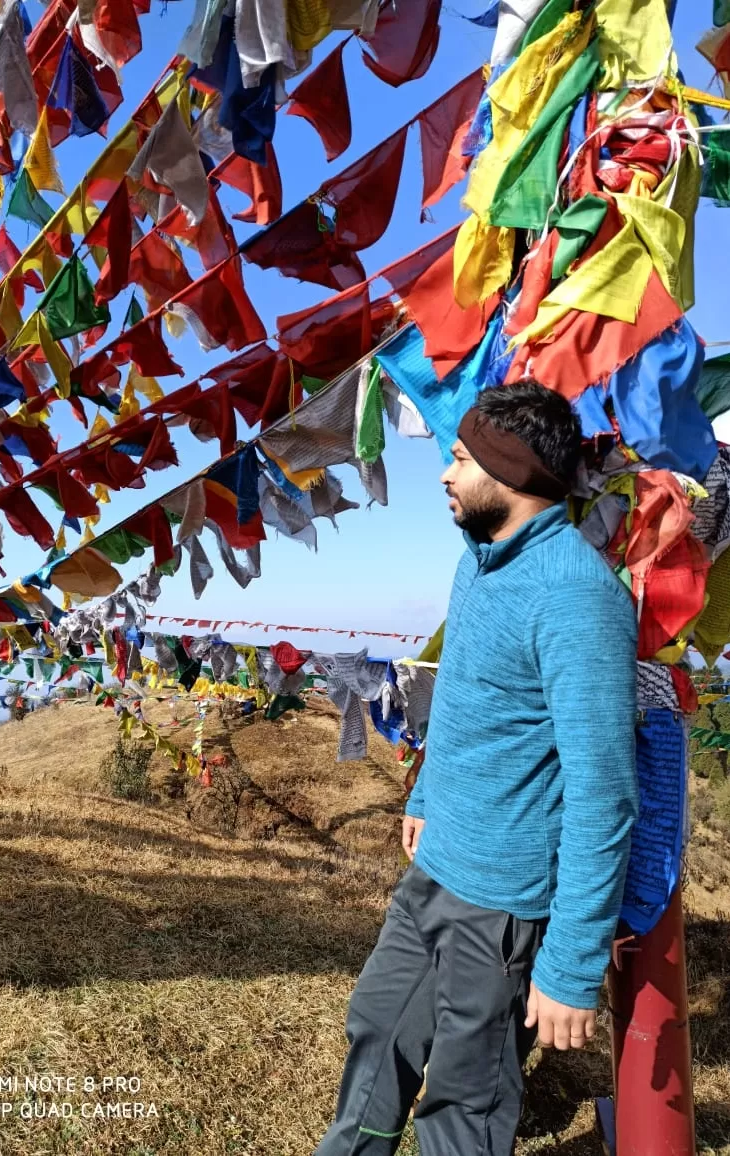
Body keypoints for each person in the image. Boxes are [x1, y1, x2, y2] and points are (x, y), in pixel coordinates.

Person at [314, 381, 639, 1156]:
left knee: (465, 1099)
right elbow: (457, 692)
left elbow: (604, 792)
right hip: (438, 867)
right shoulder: (480, 562)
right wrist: (425, 791)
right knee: (378, 1027)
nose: (442, 473)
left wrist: (567, 964)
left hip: (505, 906)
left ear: (512, 472)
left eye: (458, 458)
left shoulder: (574, 596)